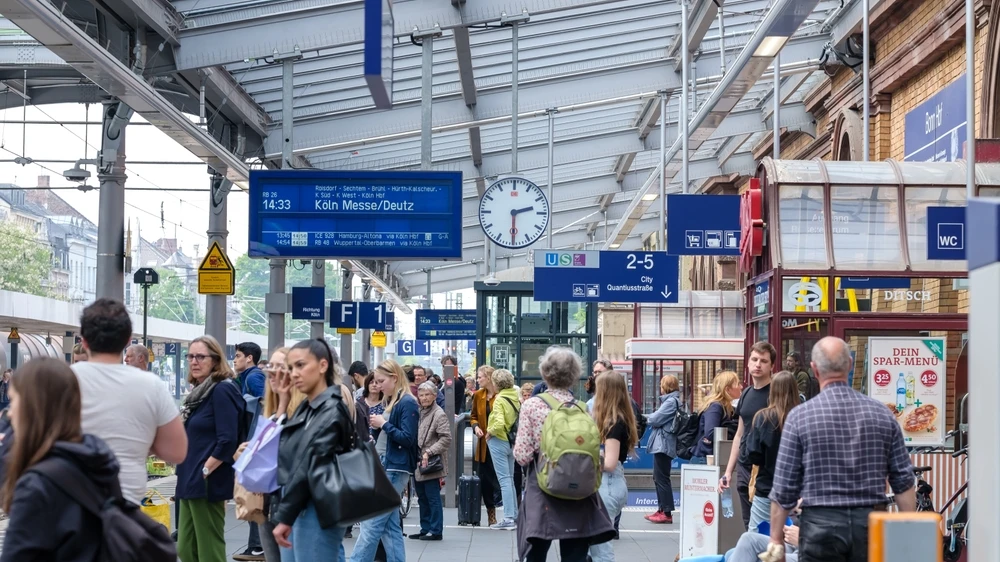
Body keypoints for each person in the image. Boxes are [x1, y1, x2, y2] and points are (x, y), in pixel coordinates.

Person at [765, 337, 915, 562]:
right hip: (871, 525)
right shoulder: (882, 414)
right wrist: (907, 534)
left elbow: (784, 487)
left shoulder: (800, 417)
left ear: (814, 370)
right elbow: (903, 480)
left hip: (820, 527)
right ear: (850, 365)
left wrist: (776, 541)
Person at [0, 358, 122, 561]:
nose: (10, 413)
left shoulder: (36, 484)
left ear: (33, 407)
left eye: (14, 401)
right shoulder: (97, 455)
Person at [71, 298, 186, 505]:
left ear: (84, 341)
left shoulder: (60, 381)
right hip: (125, 504)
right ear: (127, 341)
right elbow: (176, 452)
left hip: (71, 501)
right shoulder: (151, 385)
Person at [513, 346, 614, 562]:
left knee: (536, 551)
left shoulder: (532, 405)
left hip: (543, 487)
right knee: (575, 554)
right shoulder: (582, 408)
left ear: (545, 374)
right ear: (574, 376)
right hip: (580, 490)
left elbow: (522, 455)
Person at [271, 338, 356, 562]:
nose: (294, 373)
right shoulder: (309, 407)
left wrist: (285, 515)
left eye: (300, 365)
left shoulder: (330, 410)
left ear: (322, 365)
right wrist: (283, 399)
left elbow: (309, 465)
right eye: (291, 367)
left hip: (317, 509)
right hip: (304, 507)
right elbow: (289, 449)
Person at [176, 335, 243, 562]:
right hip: (188, 477)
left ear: (215, 360)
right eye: (190, 356)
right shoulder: (198, 395)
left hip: (206, 478)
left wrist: (205, 470)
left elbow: (228, 439)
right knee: (186, 548)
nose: (194, 361)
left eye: (200, 357)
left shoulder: (222, 390)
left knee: (209, 548)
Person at [351, 360, 419, 562]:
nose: (378, 385)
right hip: (389, 465)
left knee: (371, 524)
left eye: (381, 381)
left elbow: (408, 438)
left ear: (394, 378)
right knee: (389, 528)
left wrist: (384, 424)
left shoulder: (406, 402)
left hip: (394, 467)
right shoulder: (397, 401)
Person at [249, 347, 304, 562]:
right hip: (268, 503)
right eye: (271, 367)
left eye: (280, 367)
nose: (273, 373)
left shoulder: (303, 412)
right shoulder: (268, 411)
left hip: (295, 508)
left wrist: (282, 403)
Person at [721, 341, 775, 530]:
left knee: (763, 525)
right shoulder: (746, 394)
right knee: (747, 522)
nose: (758, 364)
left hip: (766, 469)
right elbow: (739, 435)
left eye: (764, 361)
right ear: (748, 363)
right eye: (754, 359)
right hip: (744, 466)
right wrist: (728, 471)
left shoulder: (776, 394)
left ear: (771, 366)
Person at [588, 371, 637, 562]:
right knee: (596, 547)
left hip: (607, 485)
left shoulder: (614, 423)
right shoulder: (619, 420)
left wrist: (585, 457)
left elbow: (609, 463)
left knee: (601, 550)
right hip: (611, 484)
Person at [745, 371, 799, 533]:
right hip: (796, 494)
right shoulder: (801, 417)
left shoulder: (763, 418)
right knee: (790, 542)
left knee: (755, 538)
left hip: (767, 490)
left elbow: (753, 454)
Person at [233, 341, 268, 561]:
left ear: (249, 358)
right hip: (253, 443)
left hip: (254, 443)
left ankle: (257, 546)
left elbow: (264, 406)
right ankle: (255, 545)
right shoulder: (246, 377)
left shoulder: (254, 377)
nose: (235, 359)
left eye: (238, 356)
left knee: (254, 496)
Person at [411, 381, 452, 541]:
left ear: (434, 396)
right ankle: (425, 528)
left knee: (432, 497)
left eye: (427, 394)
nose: (424, 398)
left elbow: (446, 438)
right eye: (421, 395)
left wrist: (429, 451)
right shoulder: (419, 411)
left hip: (431, 463)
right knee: (422, 497)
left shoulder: (439, 414)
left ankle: (436, 530)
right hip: (418, 462)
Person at [642, 374, 680, 524]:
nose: (660, 388)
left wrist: (641, 418)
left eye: (661, 385)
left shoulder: (671, 402)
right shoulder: (672, 401)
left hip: (664, 444)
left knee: (662, 478)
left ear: (666, 386)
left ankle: (666, 512)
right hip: (663, 444)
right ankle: (662, 509)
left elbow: (655, 419)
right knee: (658, 477)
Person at [487, 368, 521, 530]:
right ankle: (513, 514)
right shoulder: (516, 397)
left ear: (496, 383)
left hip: (499, 440)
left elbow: (499, 423)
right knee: (510, 479)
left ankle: (508, 517)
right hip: (511, 441)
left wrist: (489, 432)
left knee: (504, 480)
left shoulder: (500, 399)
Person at [469, 365, 502, 525]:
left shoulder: (501, 394)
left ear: (489, 377)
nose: (477, 380)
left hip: (500, 441)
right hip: (484, 444)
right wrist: (475, 427)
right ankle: (491, 513)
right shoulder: (478, 395)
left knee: (502, 477)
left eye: (480, 377)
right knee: (486, 479)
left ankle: (510, 512)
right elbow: (473, 415)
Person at [689, 371, 741, 463]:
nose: (741, 387)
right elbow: (710, 433)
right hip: (705, 459)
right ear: (727, 389)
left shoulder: (726, 407)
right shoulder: (715, 406)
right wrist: (732, 429)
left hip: (712, 457)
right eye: (738, 384)